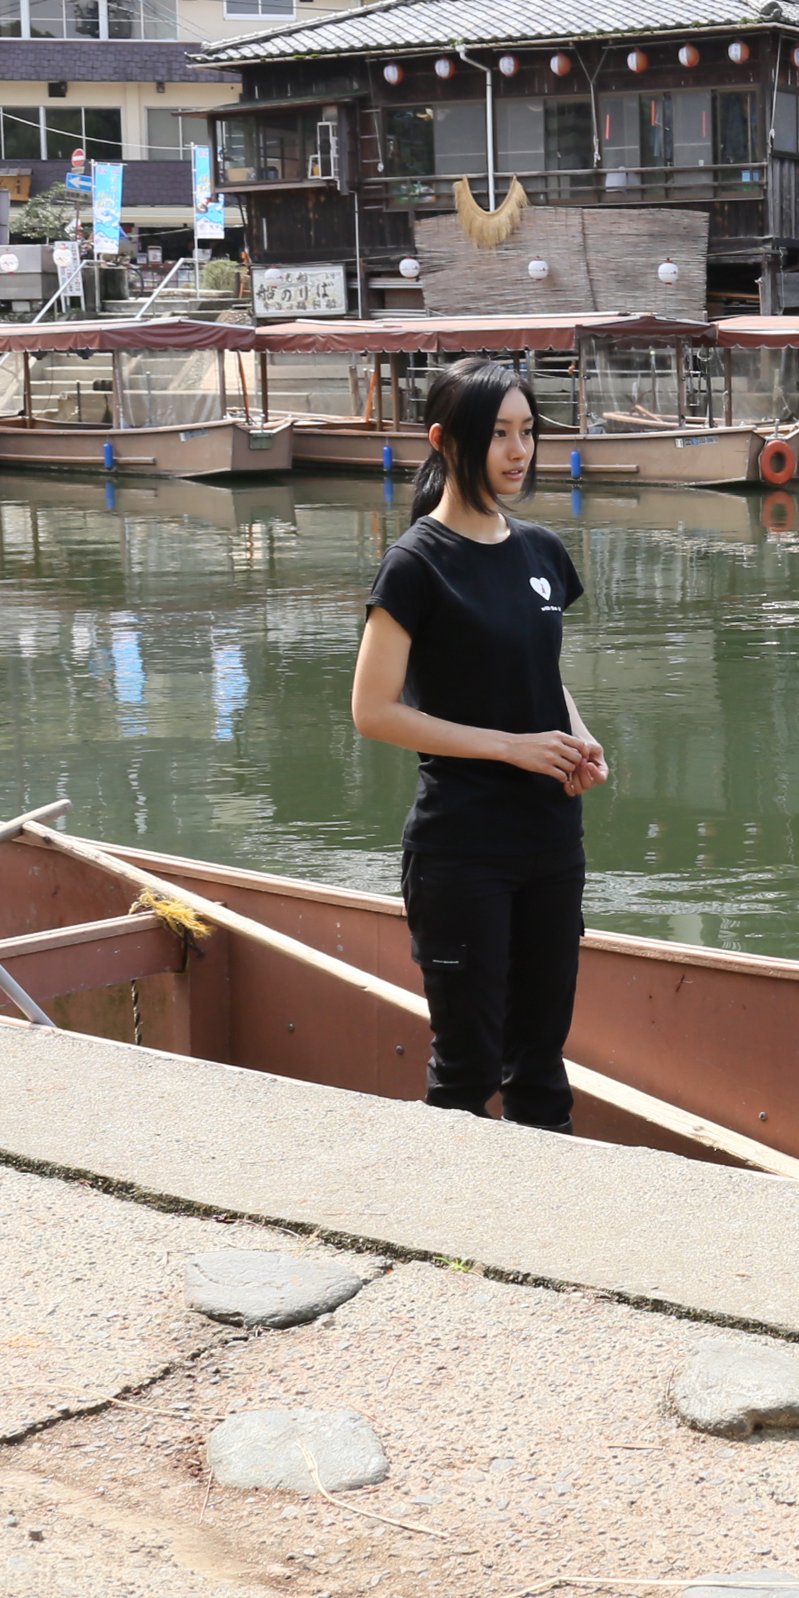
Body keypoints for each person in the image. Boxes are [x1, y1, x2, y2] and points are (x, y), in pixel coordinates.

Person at [350, 358, 608, 1131]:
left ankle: (543, 1236)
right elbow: (373, 711)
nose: (518, 450)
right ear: (444, 440)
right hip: (462, 849)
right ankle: (450, 1238)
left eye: (527, 432)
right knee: (465, 1072)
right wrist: (511, 748)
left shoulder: (539, 552)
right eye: (497, 433)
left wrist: (578, 736)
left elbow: (539, 673)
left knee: (540, 1063)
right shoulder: (417, 565)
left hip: (550, 842)